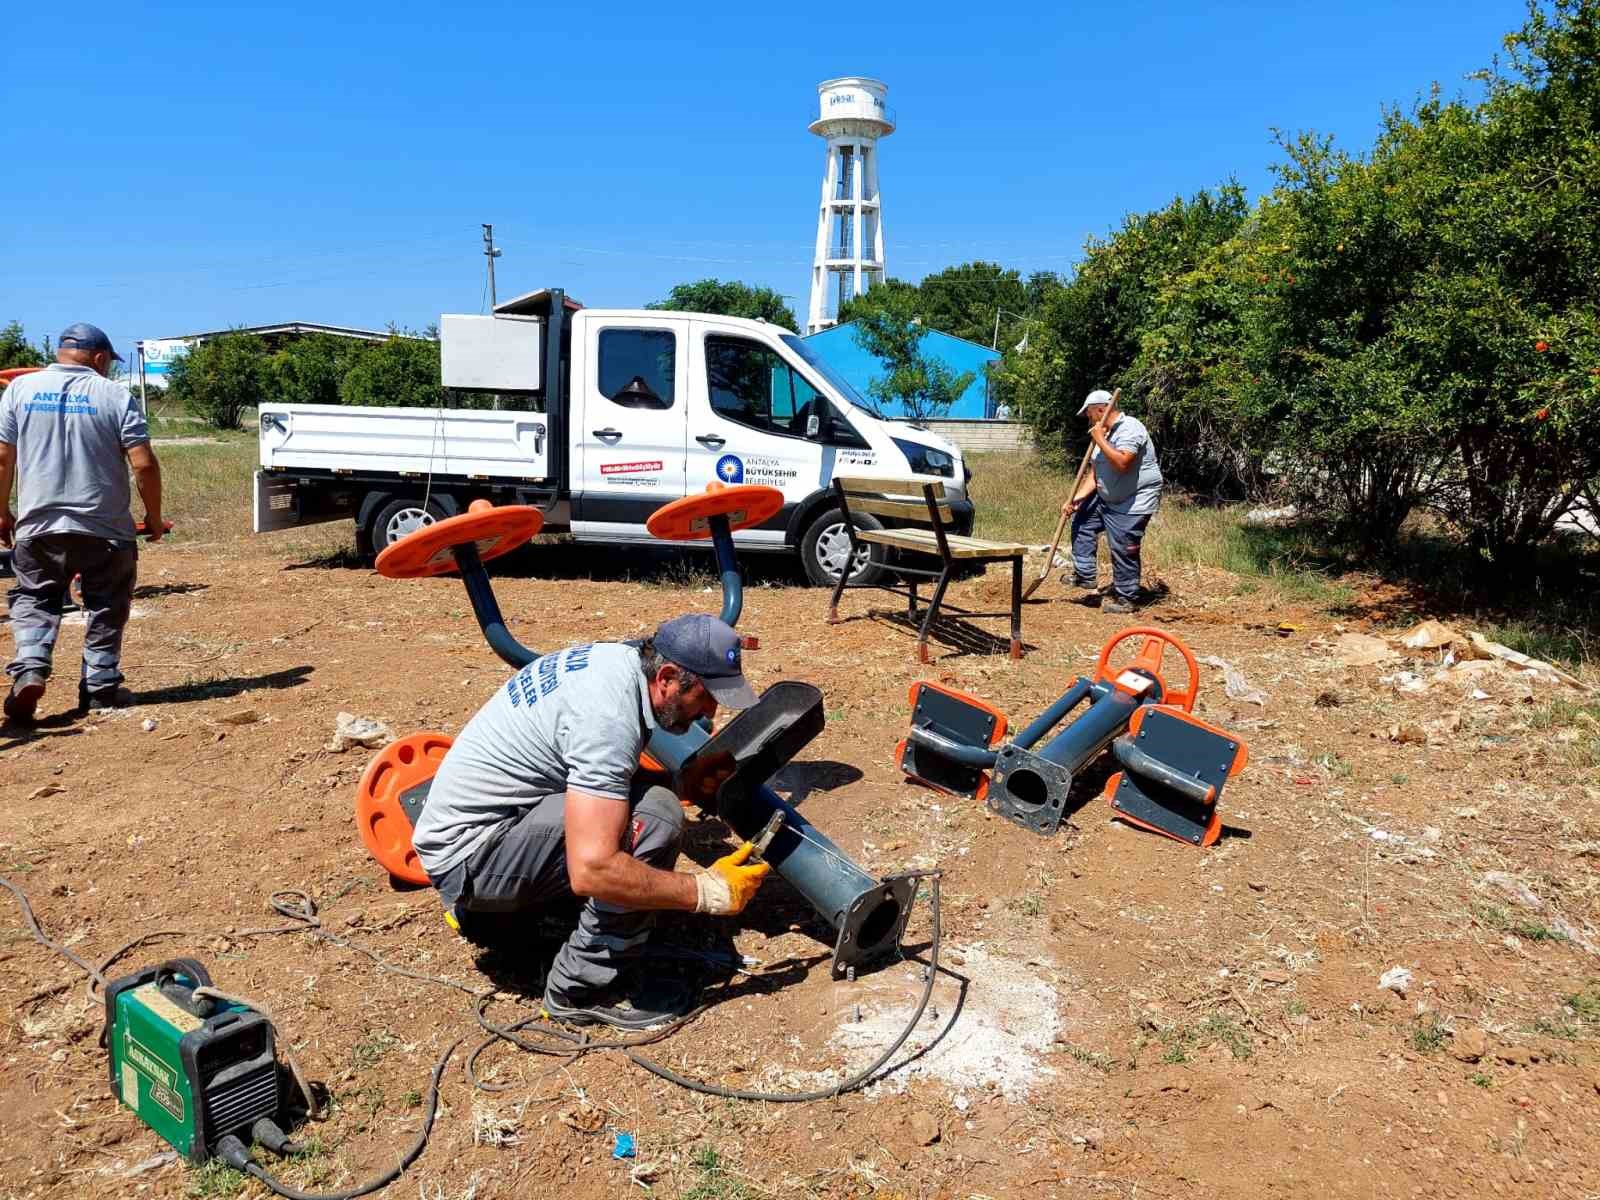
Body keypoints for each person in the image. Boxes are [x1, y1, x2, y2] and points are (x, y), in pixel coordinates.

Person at [412, 613, 771, 1030]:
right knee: (656, 818)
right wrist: (705, 892)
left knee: (649, 798)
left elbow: (599, 774)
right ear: (668, 677)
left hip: (477, 833)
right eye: (707, 695)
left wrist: (681, 781)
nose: (711, 712)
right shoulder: (607, 714)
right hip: (473, 859)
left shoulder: (619, 662)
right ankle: (580, 988)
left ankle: (498, 920)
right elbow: (593, 869)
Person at [2, 323, 163, 725]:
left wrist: (2, 511)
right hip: (104, 528)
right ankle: (99, 687)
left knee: (35, 598)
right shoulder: (114, 394)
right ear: (98, 358)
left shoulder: (18, 391)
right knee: (107, 603)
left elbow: (3, 458)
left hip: (39, 524)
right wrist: (153, 517)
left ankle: (31, 667)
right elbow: (142, 462)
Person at [1059, 389, 1162, 614]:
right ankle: (1085, 575)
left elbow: (1123, 462)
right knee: (1083, 520)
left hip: (1133, 499)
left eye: (1089, 413)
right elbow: (1097, 474)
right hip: (1107, 495)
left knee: (1123, 546)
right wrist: (1075, 499)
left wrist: (1098, 439)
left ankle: (1127, 598)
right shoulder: (1103, 432)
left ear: (1101, 410)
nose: (1088, 418)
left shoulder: (1130, 428)